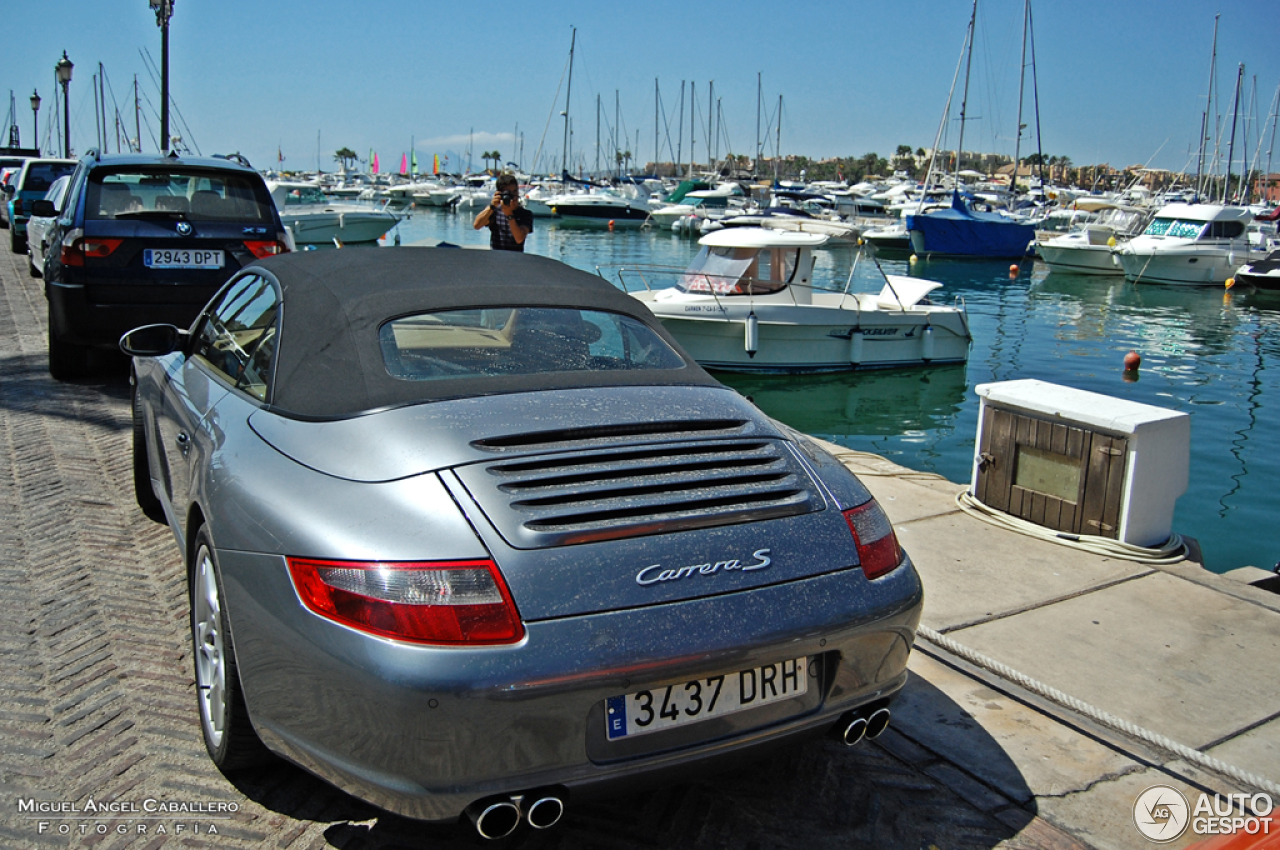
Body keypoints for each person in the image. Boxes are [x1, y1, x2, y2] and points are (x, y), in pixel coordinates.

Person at [473, 173, 533, 252]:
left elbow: (519, 239)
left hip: (516, 260)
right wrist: (492, 206)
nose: (514, 196)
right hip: (496, 258)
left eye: (515, 191)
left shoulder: (525, 214)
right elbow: (477, 225)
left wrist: (509, 215)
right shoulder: (495, 212)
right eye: (509, 193)